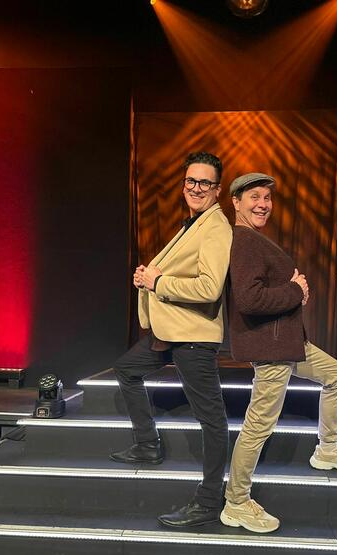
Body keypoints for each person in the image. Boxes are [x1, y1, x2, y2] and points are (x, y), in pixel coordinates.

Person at [221, 172, 337, 534]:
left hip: (288, 343)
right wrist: (295, 290)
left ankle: (328, 447)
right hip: (272, 349)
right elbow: (249, 300)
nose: (263, 204)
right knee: (258, 426)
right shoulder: (244, 241)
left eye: (267, 198)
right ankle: (236, 502)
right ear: (235, 202)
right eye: (254, 197)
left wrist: (292, 292)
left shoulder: (254, 239)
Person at [111, 151, 232, 528]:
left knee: (212, 420)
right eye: (191, 181)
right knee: (127, 369)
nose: (196, 188)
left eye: (205, 183)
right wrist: (147, 278)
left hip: (193, 336)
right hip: (170, 330)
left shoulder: (216, 227)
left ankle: (210, 500)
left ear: (217, 189)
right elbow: (179, 271)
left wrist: (159, 282)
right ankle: (147, 445)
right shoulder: (193, 224)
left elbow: (210, 288)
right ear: (184, 185)